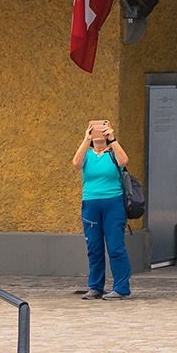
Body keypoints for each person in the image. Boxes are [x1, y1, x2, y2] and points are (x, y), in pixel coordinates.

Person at [68, 118, 132, 300]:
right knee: (94, 247)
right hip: (90, 204)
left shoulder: (113, 152)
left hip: (113, 203)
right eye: (95, 130)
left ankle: (121, 288)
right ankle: (96, 287)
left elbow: (124, 161)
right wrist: (85, 140)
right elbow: (76, 164)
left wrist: (112, 139)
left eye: (101, 131)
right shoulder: (87, 154)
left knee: (115, 247)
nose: (98, 134)